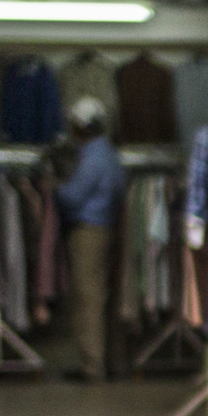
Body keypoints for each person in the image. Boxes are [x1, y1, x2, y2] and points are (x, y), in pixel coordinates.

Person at [58, 96, 126, 382]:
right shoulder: (109, 154)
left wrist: (55, 186)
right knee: (104, 298)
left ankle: (92, 366)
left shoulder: (93, 157)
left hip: (88, 232)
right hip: (107, 229)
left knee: (89, 299)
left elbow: (73, 197)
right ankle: (108, 362)